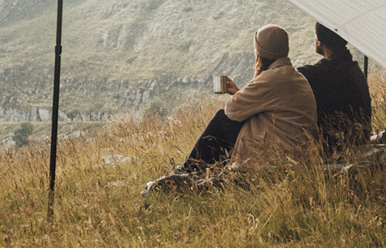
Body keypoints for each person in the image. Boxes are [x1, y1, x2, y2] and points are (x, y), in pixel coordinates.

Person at [152, 24, 319, 189]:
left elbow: (231, 111)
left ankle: (187, 172)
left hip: (278, 154)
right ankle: (194, 173)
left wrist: (248, 86)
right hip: (298, 153)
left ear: (259, 51)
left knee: (222, 119)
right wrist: (239, 92)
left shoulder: (271, 78)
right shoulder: (294, 76)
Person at [297, 23, 372, 153]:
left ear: (319, 41)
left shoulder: (319, 74)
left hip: (337, 152)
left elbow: (293, 75)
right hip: (359, 143)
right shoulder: (353, 69)